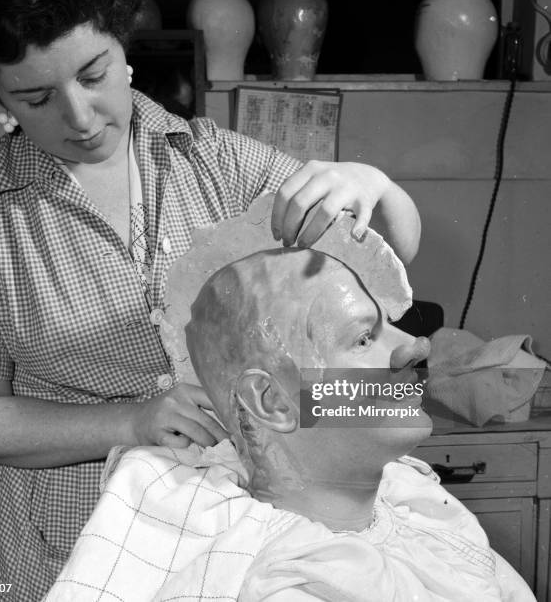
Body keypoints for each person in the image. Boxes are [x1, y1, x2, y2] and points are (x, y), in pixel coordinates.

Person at [0, 0, 421, 598]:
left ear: (124, 50)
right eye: (36, 98)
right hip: (62, 539)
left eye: (95, 75)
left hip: (237, 526)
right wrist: (130, 421)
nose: (81, 117)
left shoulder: (214, 162)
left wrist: (373, 185)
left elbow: (386, 256)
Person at [45, 247, 534, 600]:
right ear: (275, 402)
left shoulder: (425, 514)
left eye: (390, 326)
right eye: (364, 338)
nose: (417, 344)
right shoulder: (278, 583)